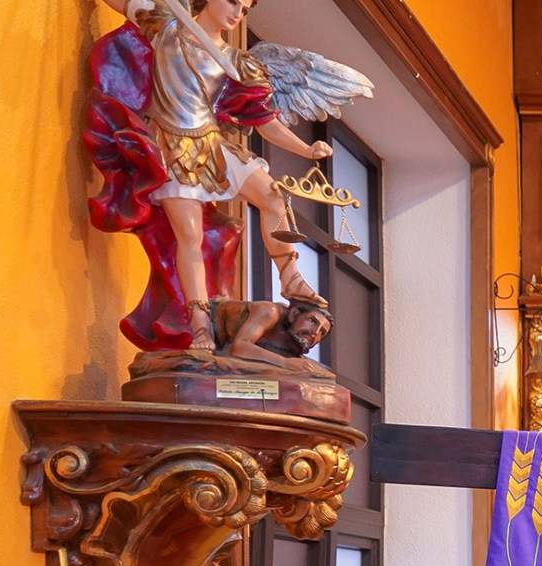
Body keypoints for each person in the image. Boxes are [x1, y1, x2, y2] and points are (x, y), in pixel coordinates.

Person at [89, 0, 369, 350]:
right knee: (190, 237)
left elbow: (265, 123)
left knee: (272, 196)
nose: (238, 13)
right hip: (173, 147)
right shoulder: (167, 25)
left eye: (245, 9)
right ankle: (200, 325)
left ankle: (291, 278)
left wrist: (306, 150)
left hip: (213, 144)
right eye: (233, 1)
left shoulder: (237, 62)